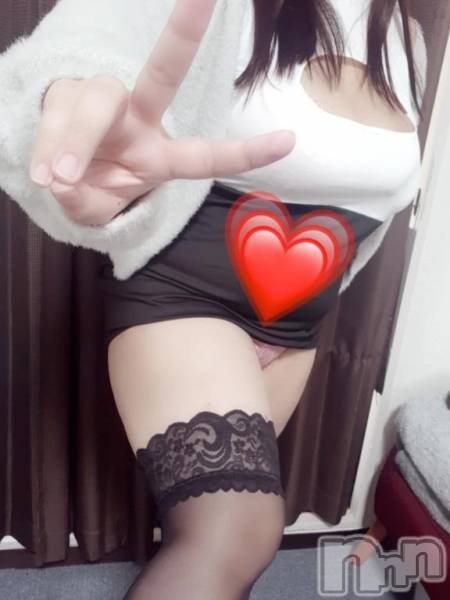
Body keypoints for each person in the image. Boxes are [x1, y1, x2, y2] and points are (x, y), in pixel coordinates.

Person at [0, 0, 428, 598]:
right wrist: (62, 104)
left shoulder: (406, 37)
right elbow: (76, 50)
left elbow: (376, 210)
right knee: (239, 530)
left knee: (223, 545)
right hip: (184, 297)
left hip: (292, 328)